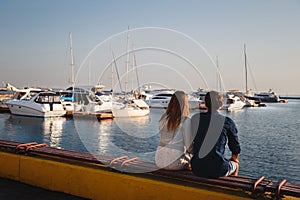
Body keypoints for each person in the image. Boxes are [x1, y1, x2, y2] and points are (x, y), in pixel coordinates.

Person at [191, 91, 241, 178]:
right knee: (236, 164)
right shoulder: (227, 122)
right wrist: (234, 159)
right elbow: (235, 148)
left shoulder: (195, 118)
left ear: (206, 103)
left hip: (196, 168)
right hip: (218, 168)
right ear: (221, 104)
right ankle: (231, 188)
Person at [155, 91, 193, 170]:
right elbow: (189, 147)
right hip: (174, 163)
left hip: (159, 160)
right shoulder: (185, 121)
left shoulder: (163, 118)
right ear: (185, 104)